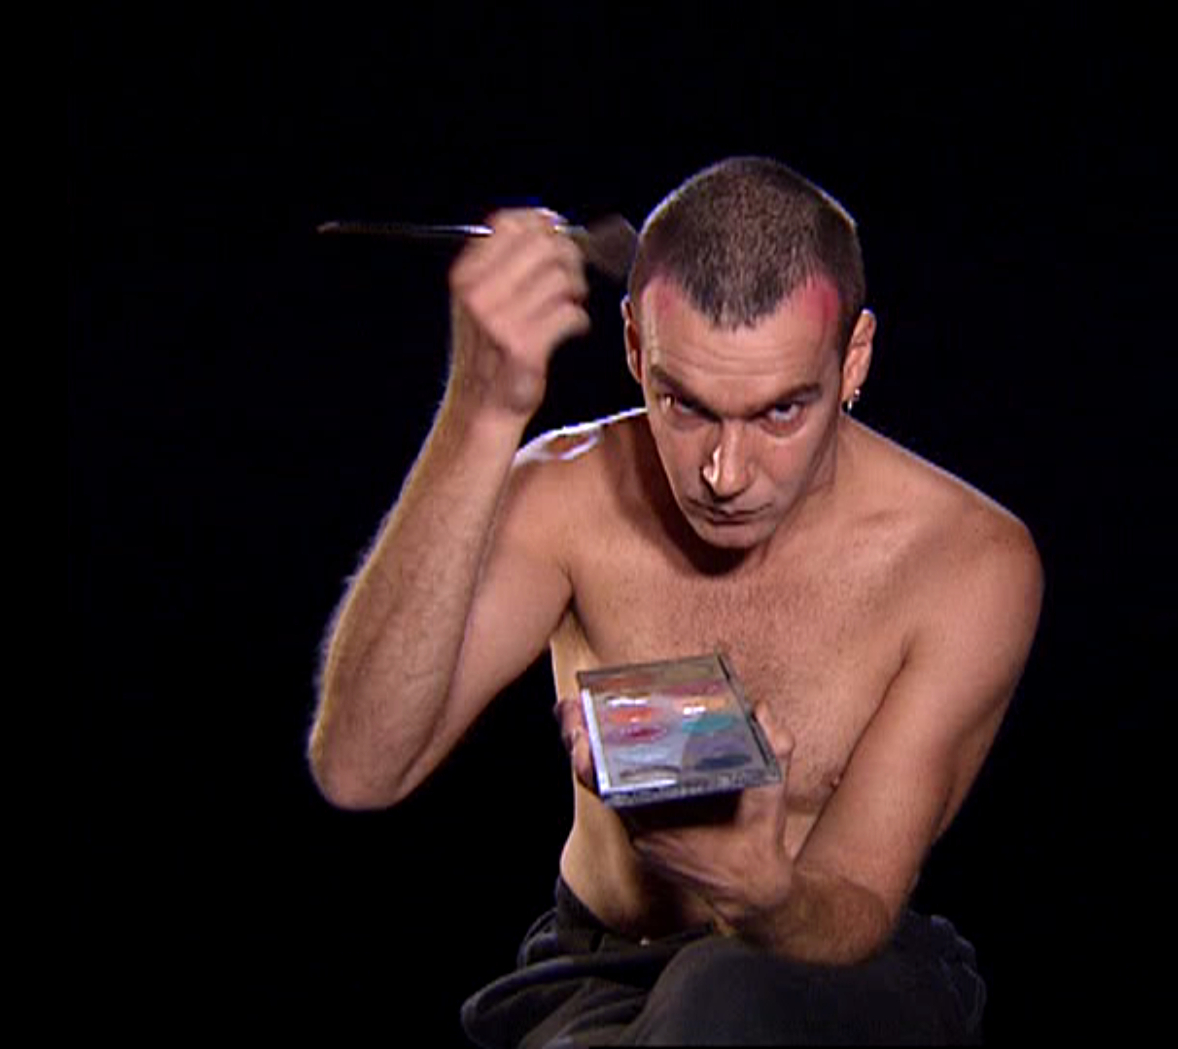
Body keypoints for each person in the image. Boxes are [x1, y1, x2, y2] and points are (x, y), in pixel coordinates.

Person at [308, 156, 1043, 1045]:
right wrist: (481, 412)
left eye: (780, 412)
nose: (724, 475)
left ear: (853, 359)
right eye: (684, 404)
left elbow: (856, 902)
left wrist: (761, 889)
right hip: (595, 971)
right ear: (633, 347)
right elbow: (361, 766)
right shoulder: (565, 496)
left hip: (831, 965)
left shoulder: (965, 561)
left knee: (723, 992)